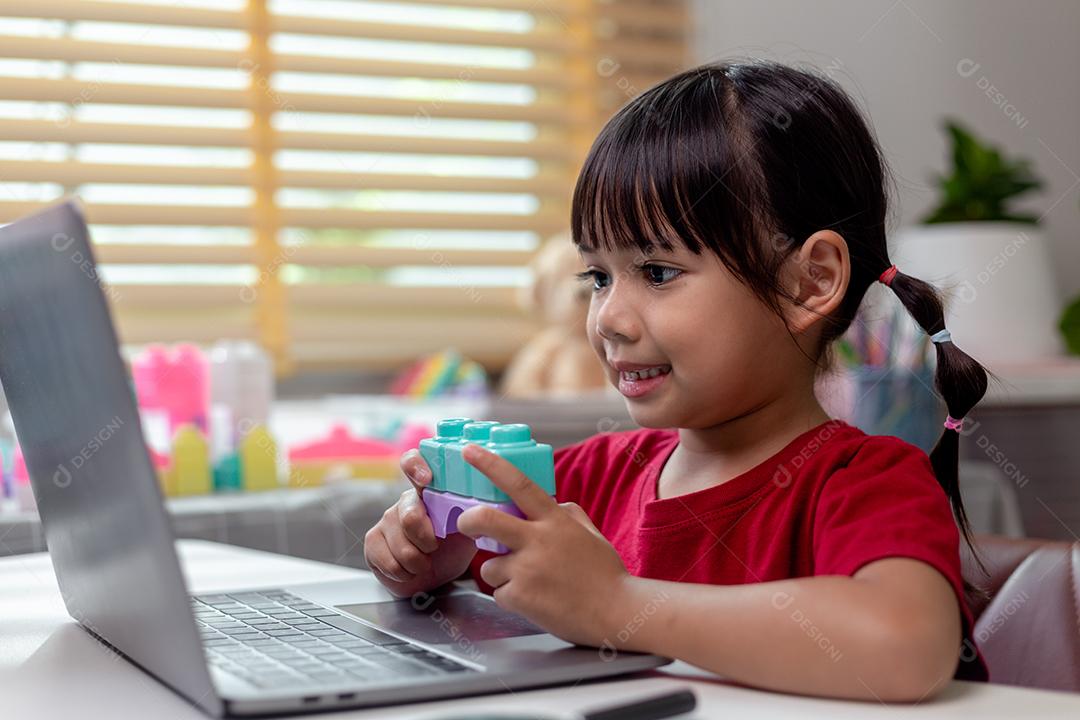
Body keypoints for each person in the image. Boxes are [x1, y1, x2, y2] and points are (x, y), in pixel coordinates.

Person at [364, 60, 991, 701]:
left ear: (811, 281)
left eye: (658, 272)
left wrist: (618, 604)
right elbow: (503, 580)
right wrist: (427, 564)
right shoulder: (583, 482)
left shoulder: (864, 482)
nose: (607, 318)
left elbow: (905, 647)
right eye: (598, 277)